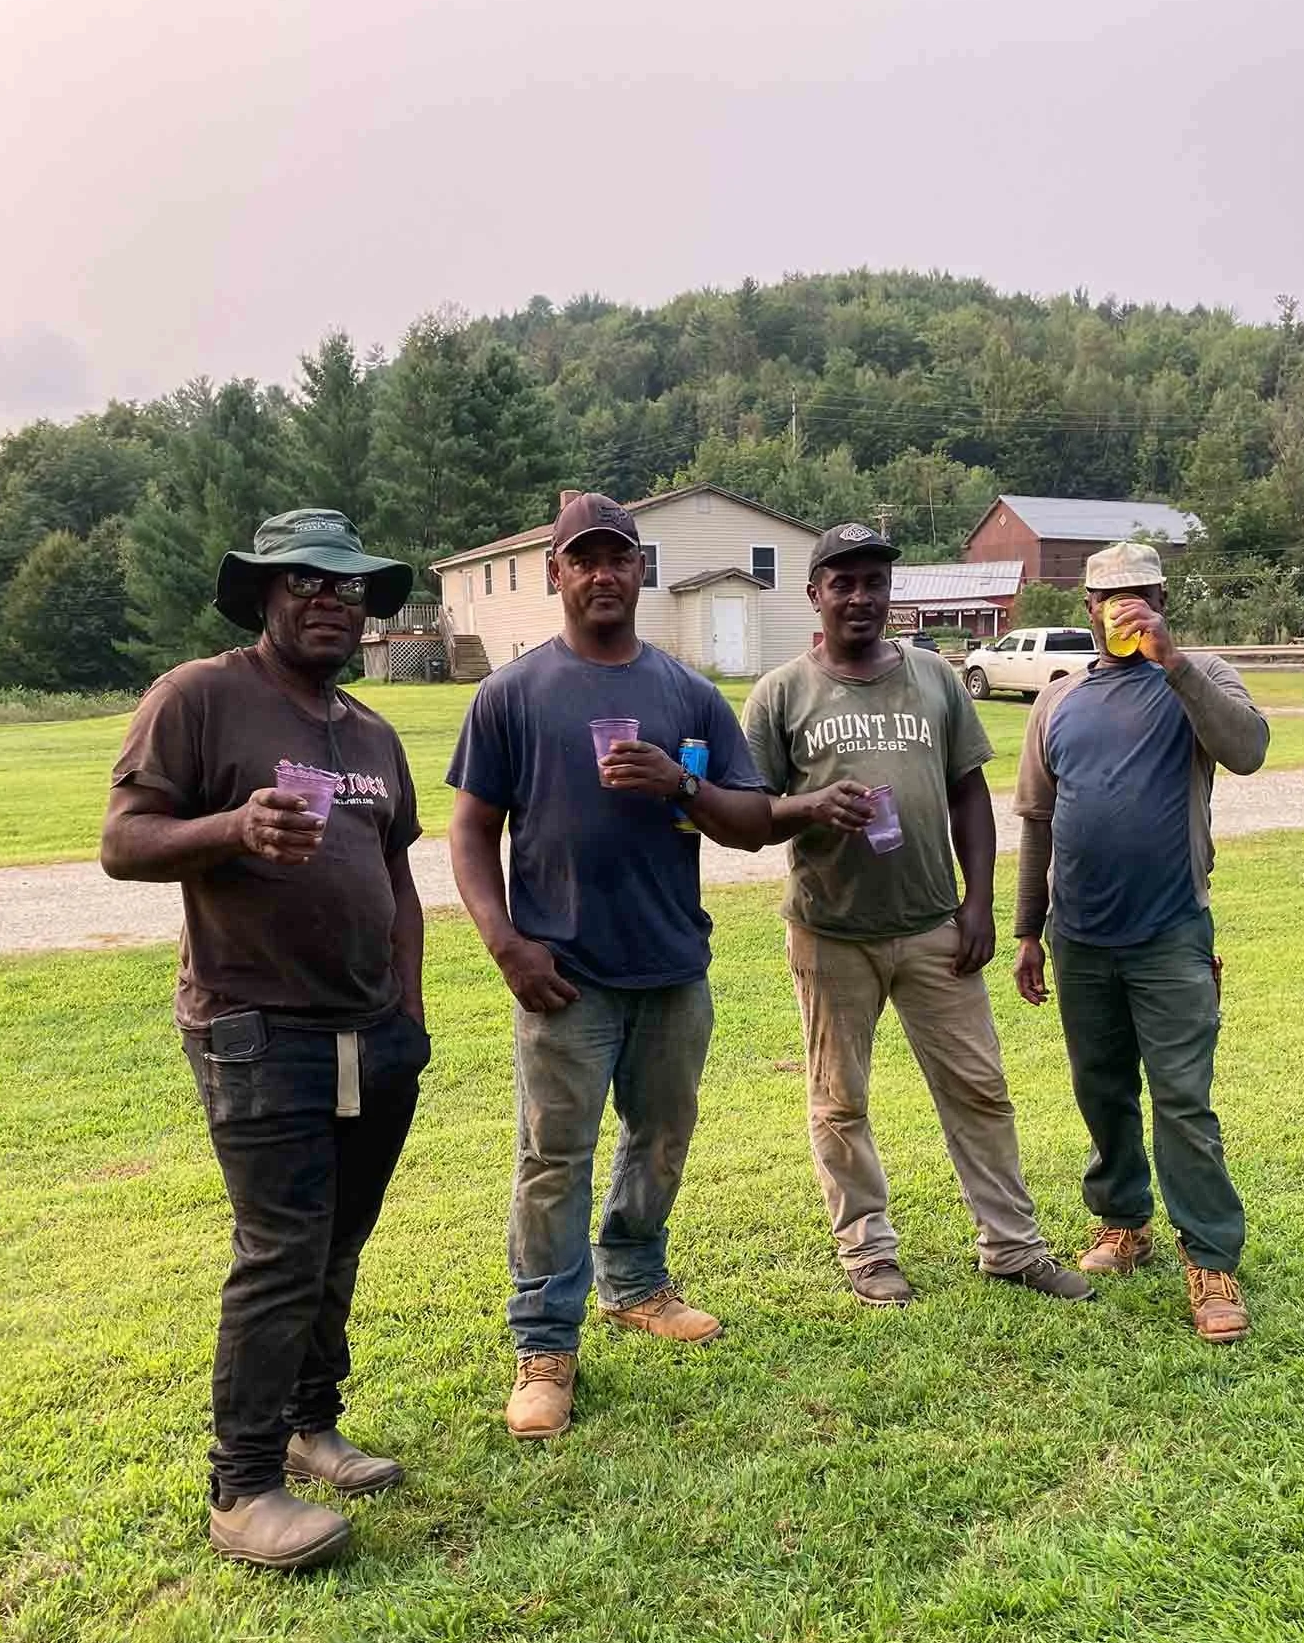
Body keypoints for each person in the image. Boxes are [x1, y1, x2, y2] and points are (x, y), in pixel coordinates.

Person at [101, 509, 430, 1570]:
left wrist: (410, 1012)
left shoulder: (372, 732)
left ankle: (310, 1423)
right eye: (306, 580)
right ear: (264, 595)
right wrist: (231, 829)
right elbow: (124, 841)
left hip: (372, 1032)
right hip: (255, 1026)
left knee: (337, 1243)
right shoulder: (199, 697)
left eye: (347, 585)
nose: (330, 597)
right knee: (282, 1247)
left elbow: (397, 878)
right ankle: (242, 1487)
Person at [447, 493, 771, 1441]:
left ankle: (634, 1280)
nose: (600, 574)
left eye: (617, 558)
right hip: (563, 972)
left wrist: (679, 780)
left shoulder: (686, 691)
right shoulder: (512, 694)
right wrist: (506, 942)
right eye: (581, 559)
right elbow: (470, 831)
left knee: (662, 1135)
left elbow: (751, 825)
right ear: (555, 573)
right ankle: (543, 1343)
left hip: (671, 964)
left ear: (642, 571)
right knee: (553, 1159)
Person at [741, 522, 1090, 1307]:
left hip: (935, 922)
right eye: (844, 582)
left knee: (979, 1087)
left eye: (875, 581)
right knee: (839, 1099)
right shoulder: (782, 694)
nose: (861, 596)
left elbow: (970, 791)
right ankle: (867, 1251)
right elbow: (748, 812)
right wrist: (809, 806)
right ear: (815, 595)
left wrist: (979, 903)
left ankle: (1012, 1246)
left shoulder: (934, 678)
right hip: (829, 930)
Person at [1010, 540, 1270, 1343]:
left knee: (1184, 1102)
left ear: (1163, 599)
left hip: (1170, 934)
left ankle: (1211, 1258)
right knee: (1103, 1090)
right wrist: (1027, 932)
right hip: (1080, 937)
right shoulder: (1059, 700)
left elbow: (1249, 749)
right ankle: (1123, 1220)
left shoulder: (1200, 676)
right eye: (1112, 598)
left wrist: (1175, 663)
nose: (1128, 609)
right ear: (1087, 609)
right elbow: (1037, 822)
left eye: (1144, 595)